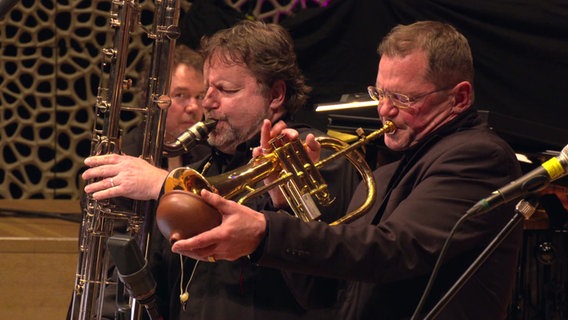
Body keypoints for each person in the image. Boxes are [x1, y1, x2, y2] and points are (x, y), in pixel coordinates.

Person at [170, 21, 524, 319]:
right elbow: (321, 295)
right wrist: (286, 200)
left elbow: (394, 250)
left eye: (404, 99)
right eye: (380, 93)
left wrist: (266, 232)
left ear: (459, 98)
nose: (384, 110)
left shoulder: (478, 156)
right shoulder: (386, 173)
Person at [81, 20, 360, 319]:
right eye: (207, 89)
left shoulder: (317, 153)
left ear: (275, 95)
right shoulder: (205, 166)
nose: (208, 103)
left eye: (226, 89)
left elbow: (320, 276)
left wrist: (165, 184)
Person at [68, 44, 209, 319]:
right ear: (154, 100)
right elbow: (111, 255)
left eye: (200, 96)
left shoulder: (207, 157)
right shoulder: (122, 155)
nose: (193, 107)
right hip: (121, 301)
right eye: (180, 95)